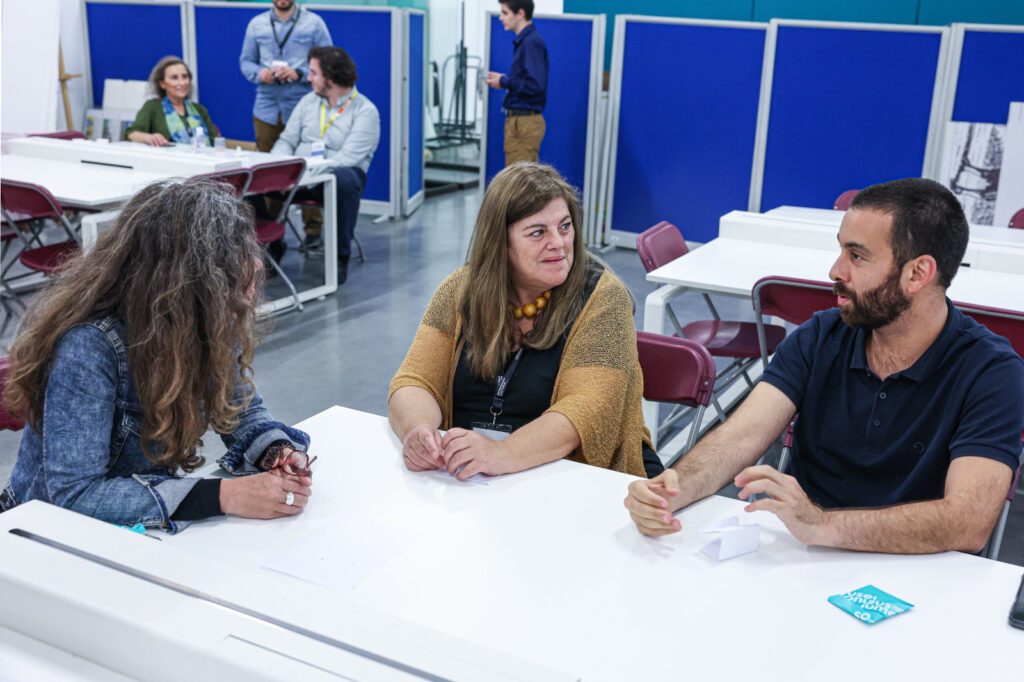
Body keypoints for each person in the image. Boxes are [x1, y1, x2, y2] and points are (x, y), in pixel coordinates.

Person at [624, 178, 1024, 554]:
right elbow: (741, 436)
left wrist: (824, 525)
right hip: (803, 555)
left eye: (857, 256)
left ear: (917, 273)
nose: (836, 271)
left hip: (918, 570)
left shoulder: (992, 372)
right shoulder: (821, 335)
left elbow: (968, 522)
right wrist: (673, 488)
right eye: (841, 251)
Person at [0, 180, 315, 533]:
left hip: (134, 526)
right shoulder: (89, 348)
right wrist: (224, 495)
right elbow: (74, 495)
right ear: (186, 284)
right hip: (41, 533)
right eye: (233, 265)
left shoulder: (205, 317)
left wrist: (276, 452)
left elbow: (241, 410)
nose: (254, 270)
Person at [389, 163, 658, 481]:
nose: (559, 243)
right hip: (472, 478)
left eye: (565, 226)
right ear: (500, 242)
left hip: (580, 479)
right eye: (538, 232)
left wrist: (501, 453)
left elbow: (586, 410)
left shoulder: (603, 298)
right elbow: (415, 380)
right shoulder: (459, 290)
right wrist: (419, 432)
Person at [272, 46, 380, 283]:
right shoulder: (307, 102)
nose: (308, 78)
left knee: (343, 181)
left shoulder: (365, 111)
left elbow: (346, 159)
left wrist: (300, 178)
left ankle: (340, 256)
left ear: (330, 77)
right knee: (255, 182)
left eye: (313, 73)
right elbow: (286, 140)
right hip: (296, 176)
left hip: (332, 178)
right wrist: (279, 170)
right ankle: (270, 248)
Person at [240, 0, 332, 154]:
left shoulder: (314, 23)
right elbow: (246, 62)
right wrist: (260, 72)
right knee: (266, 162)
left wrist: (300, 73)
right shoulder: (256, 24)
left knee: (303, 161)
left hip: (303, 107)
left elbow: (327, 61)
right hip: (266, 108)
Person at [485, 0, 548, 166]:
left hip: (524, 123)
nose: (500, 18)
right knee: (521, 176)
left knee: (519, 179)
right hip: (520, 121)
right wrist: (505, 81)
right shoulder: (525, 42)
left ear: (520, 14)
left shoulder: (531, 43)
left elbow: (535, 85)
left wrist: (504, 81)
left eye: (505, 13)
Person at [126, 56, 216, 147]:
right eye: (174, 78)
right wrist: (150, 137)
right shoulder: (153, 106)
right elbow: (131, 134)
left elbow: (214, 142)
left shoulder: (200, 110)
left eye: (185, 77)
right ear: (162, 84)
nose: (182, 83)